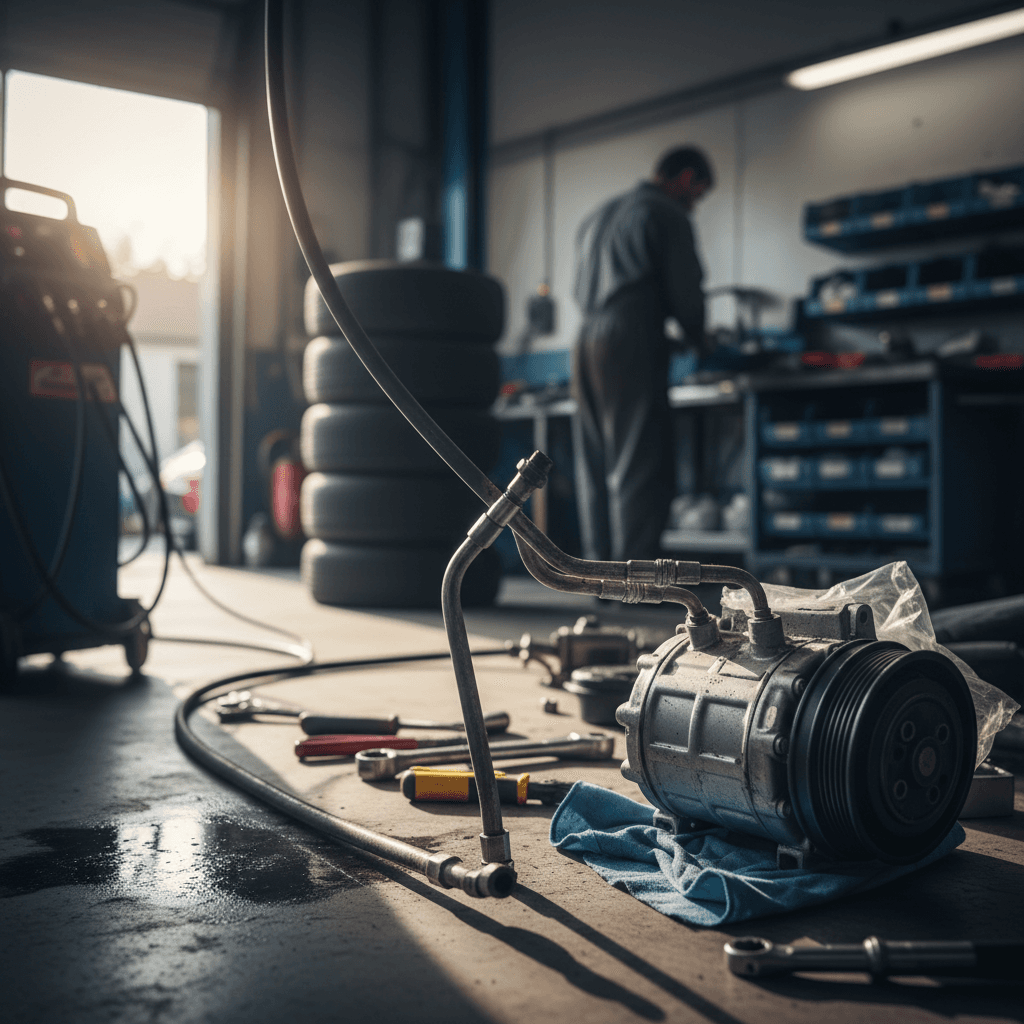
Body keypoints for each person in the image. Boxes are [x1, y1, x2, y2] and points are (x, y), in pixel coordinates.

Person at [571, 145, 713, 563]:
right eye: (698, 193)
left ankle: (597, 575)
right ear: (685, 179)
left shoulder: (599, 214)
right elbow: (686, 295)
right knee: (639, 463)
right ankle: (635, 581)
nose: (695, 204)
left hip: (584, 339)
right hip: (629, 338)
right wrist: (698, 336)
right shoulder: (667, 213)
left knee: (596, 466)